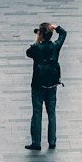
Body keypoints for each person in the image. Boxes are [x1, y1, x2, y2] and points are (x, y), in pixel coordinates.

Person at [26, 22, 66, 150]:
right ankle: (52, 141)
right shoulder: (55, 46)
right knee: (51, 113)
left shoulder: (37, 48)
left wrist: (37, 40)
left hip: (38, 84)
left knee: (37, 112)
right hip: (52, 84)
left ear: (41, 35)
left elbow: (28, 52)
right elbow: (64, 33)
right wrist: (56, 27)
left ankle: (36, 142)